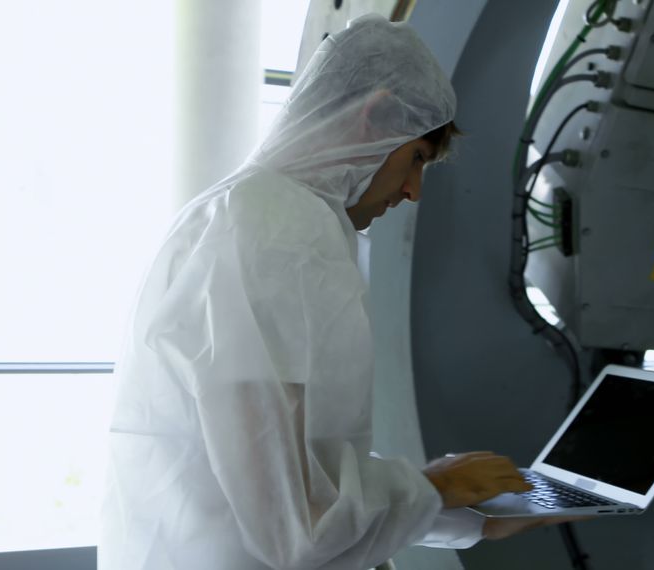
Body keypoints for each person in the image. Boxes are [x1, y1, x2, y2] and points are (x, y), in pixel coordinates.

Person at [100, 14, 577, 570]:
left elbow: (297, 476)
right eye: (416, 158)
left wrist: (473, 517)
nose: (412, 191)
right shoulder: (274, 226)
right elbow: (295, 522)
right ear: (373, 117)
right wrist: (438, 488)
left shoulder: (254, 213)